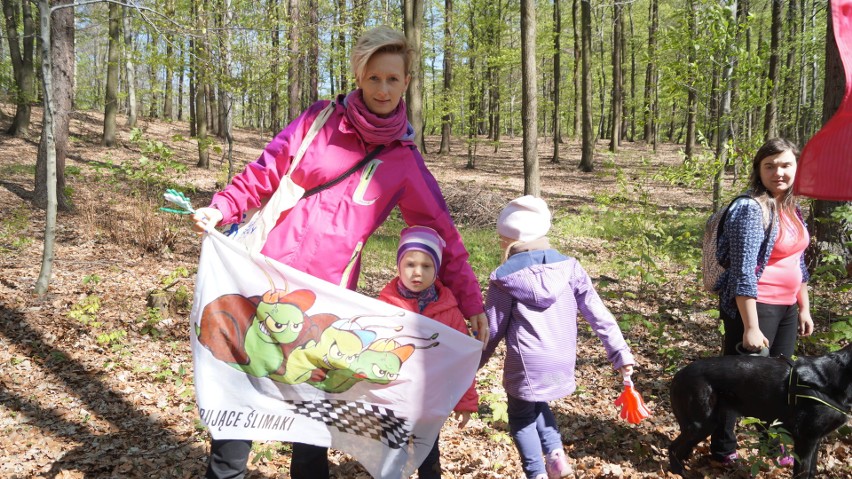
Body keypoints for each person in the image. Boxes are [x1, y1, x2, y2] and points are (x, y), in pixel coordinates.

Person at [190, 26, 489, 479]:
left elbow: (441, 233)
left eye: (392, 79)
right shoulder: (319, 121)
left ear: (407, 82)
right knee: (239, 393)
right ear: (358, 77)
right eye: (373, 78)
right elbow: (265, 170)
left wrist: (471, 303)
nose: (383, 89)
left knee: (312, 419)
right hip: (260, 279)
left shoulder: (403, 160)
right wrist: (222, 207)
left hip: (325, 300)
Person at [478, 195, 635, 479]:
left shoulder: (503, 278)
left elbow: (492, 329)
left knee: (521, 416)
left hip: (527, 362)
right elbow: (598, 314)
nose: (499, 243)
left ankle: (536, 473)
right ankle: (556, 456)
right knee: (537, 401)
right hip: (561, 359)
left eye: (501, 238)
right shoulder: (571, 267)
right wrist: (620, 354)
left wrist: (470, 365)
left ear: (513, 239)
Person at [710, 137, 813, 466]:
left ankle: (773, 443)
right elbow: (742, 270)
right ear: (758, 170)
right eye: (770, 166)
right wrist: (751, 327)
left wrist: (804, 307)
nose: (778, 172)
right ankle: (723, 447)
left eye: (785, 165)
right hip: (754, 307)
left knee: (781, 382)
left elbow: (798, 263)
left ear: (797, 167)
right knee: (739, 381)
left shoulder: (792, 208)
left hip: (786, 308)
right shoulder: (750, 209)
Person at [376, 225, 478, 478]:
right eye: (410, 264)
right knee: (390, 456)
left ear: (437, 269)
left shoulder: (449, 311)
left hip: (430, 401)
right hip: (392, 400)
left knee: (428, 455)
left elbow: (461, 361)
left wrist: (465, 402)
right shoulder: (383, 307)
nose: (417, 272)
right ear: (399, 266)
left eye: (426, 266)